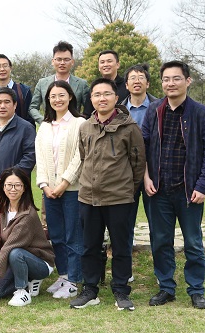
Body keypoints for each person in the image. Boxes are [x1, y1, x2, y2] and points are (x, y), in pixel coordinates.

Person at [142, 61, 205, 310]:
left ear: (187, 81)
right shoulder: (154, 110)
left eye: (176, 78)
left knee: (193, 243)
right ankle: (166, 287)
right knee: (160, 241)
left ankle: (196, 290)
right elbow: (143, 147)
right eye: (166, 79)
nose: (171, 83)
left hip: (189, 191)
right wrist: (146, 177)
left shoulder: (202, 114)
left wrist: (203, 185)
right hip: (159, 190)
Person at [70, 78, 146, 310]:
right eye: (97, 94)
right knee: (89, 246)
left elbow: (137, 163)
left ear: (116, 97)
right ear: (91, 99)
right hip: (89, 197)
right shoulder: (85, 127)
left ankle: (121, 290)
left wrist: (126, 188)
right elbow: (84, 157)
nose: (101, 98)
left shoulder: (129, 128)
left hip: (119, 198)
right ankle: (90, 289)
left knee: (121, 247)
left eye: (106, 94)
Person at [35, 80, 85, 299]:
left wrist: (64, 182)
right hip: (50, 191)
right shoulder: (45, 127)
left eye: (61, 95)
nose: (57, 100)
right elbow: (40, 158)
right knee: (56, 235)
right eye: (53, 96)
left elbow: (80, 156)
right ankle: (63, 275)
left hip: (72, 190)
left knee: (73, 235)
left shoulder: (80, 123)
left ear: (70, 97)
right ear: (48, 100)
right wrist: (45, 184)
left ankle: (74, 279)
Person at [0, 168, 55, 307]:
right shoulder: (4, 207)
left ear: (24, 188)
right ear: (3, 187)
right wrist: (0, 240)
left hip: (39, 262)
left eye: (17, 185)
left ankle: (23, 291)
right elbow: (9, 236)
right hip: (17, 258)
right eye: (9, 185)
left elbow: (11, 246)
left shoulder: (27, 215)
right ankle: (28, 278)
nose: (13, 189)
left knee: (15, 253)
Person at [122, 63, 158, 281]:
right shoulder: (117, 110)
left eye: (141, 77)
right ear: (126, 85)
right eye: (132, 78)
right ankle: (125, 271)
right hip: (125, 176)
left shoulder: (159, 107)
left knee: (158, 225)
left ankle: (161, 271)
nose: (137, 81)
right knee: (124, 225)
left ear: (148, 83)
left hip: (155, 174)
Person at [0, 87, 36, 188]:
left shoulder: (26, 128)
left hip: (16, 188)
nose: (2, 106)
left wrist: (9, 178)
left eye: (7, 102)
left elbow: (30, 158)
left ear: (15, 105)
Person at [29, 41, 89, 125]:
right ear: (53, 61)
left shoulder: (82, 84)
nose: (62, 63)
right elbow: (33, 108)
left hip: (74, 127)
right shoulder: (42, 83)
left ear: (72, 62)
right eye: (59, 59)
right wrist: (44, 121)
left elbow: (89, 109)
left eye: (66, 59)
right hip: (50, 127)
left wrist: (80, 122)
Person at [82, 50, 131, 116]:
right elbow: (87, 114)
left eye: (109, 61)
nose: (105, 65)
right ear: (99, 67)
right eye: (102, 62)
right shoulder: (94, 88)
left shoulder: (127, 85)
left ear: (117, 65)